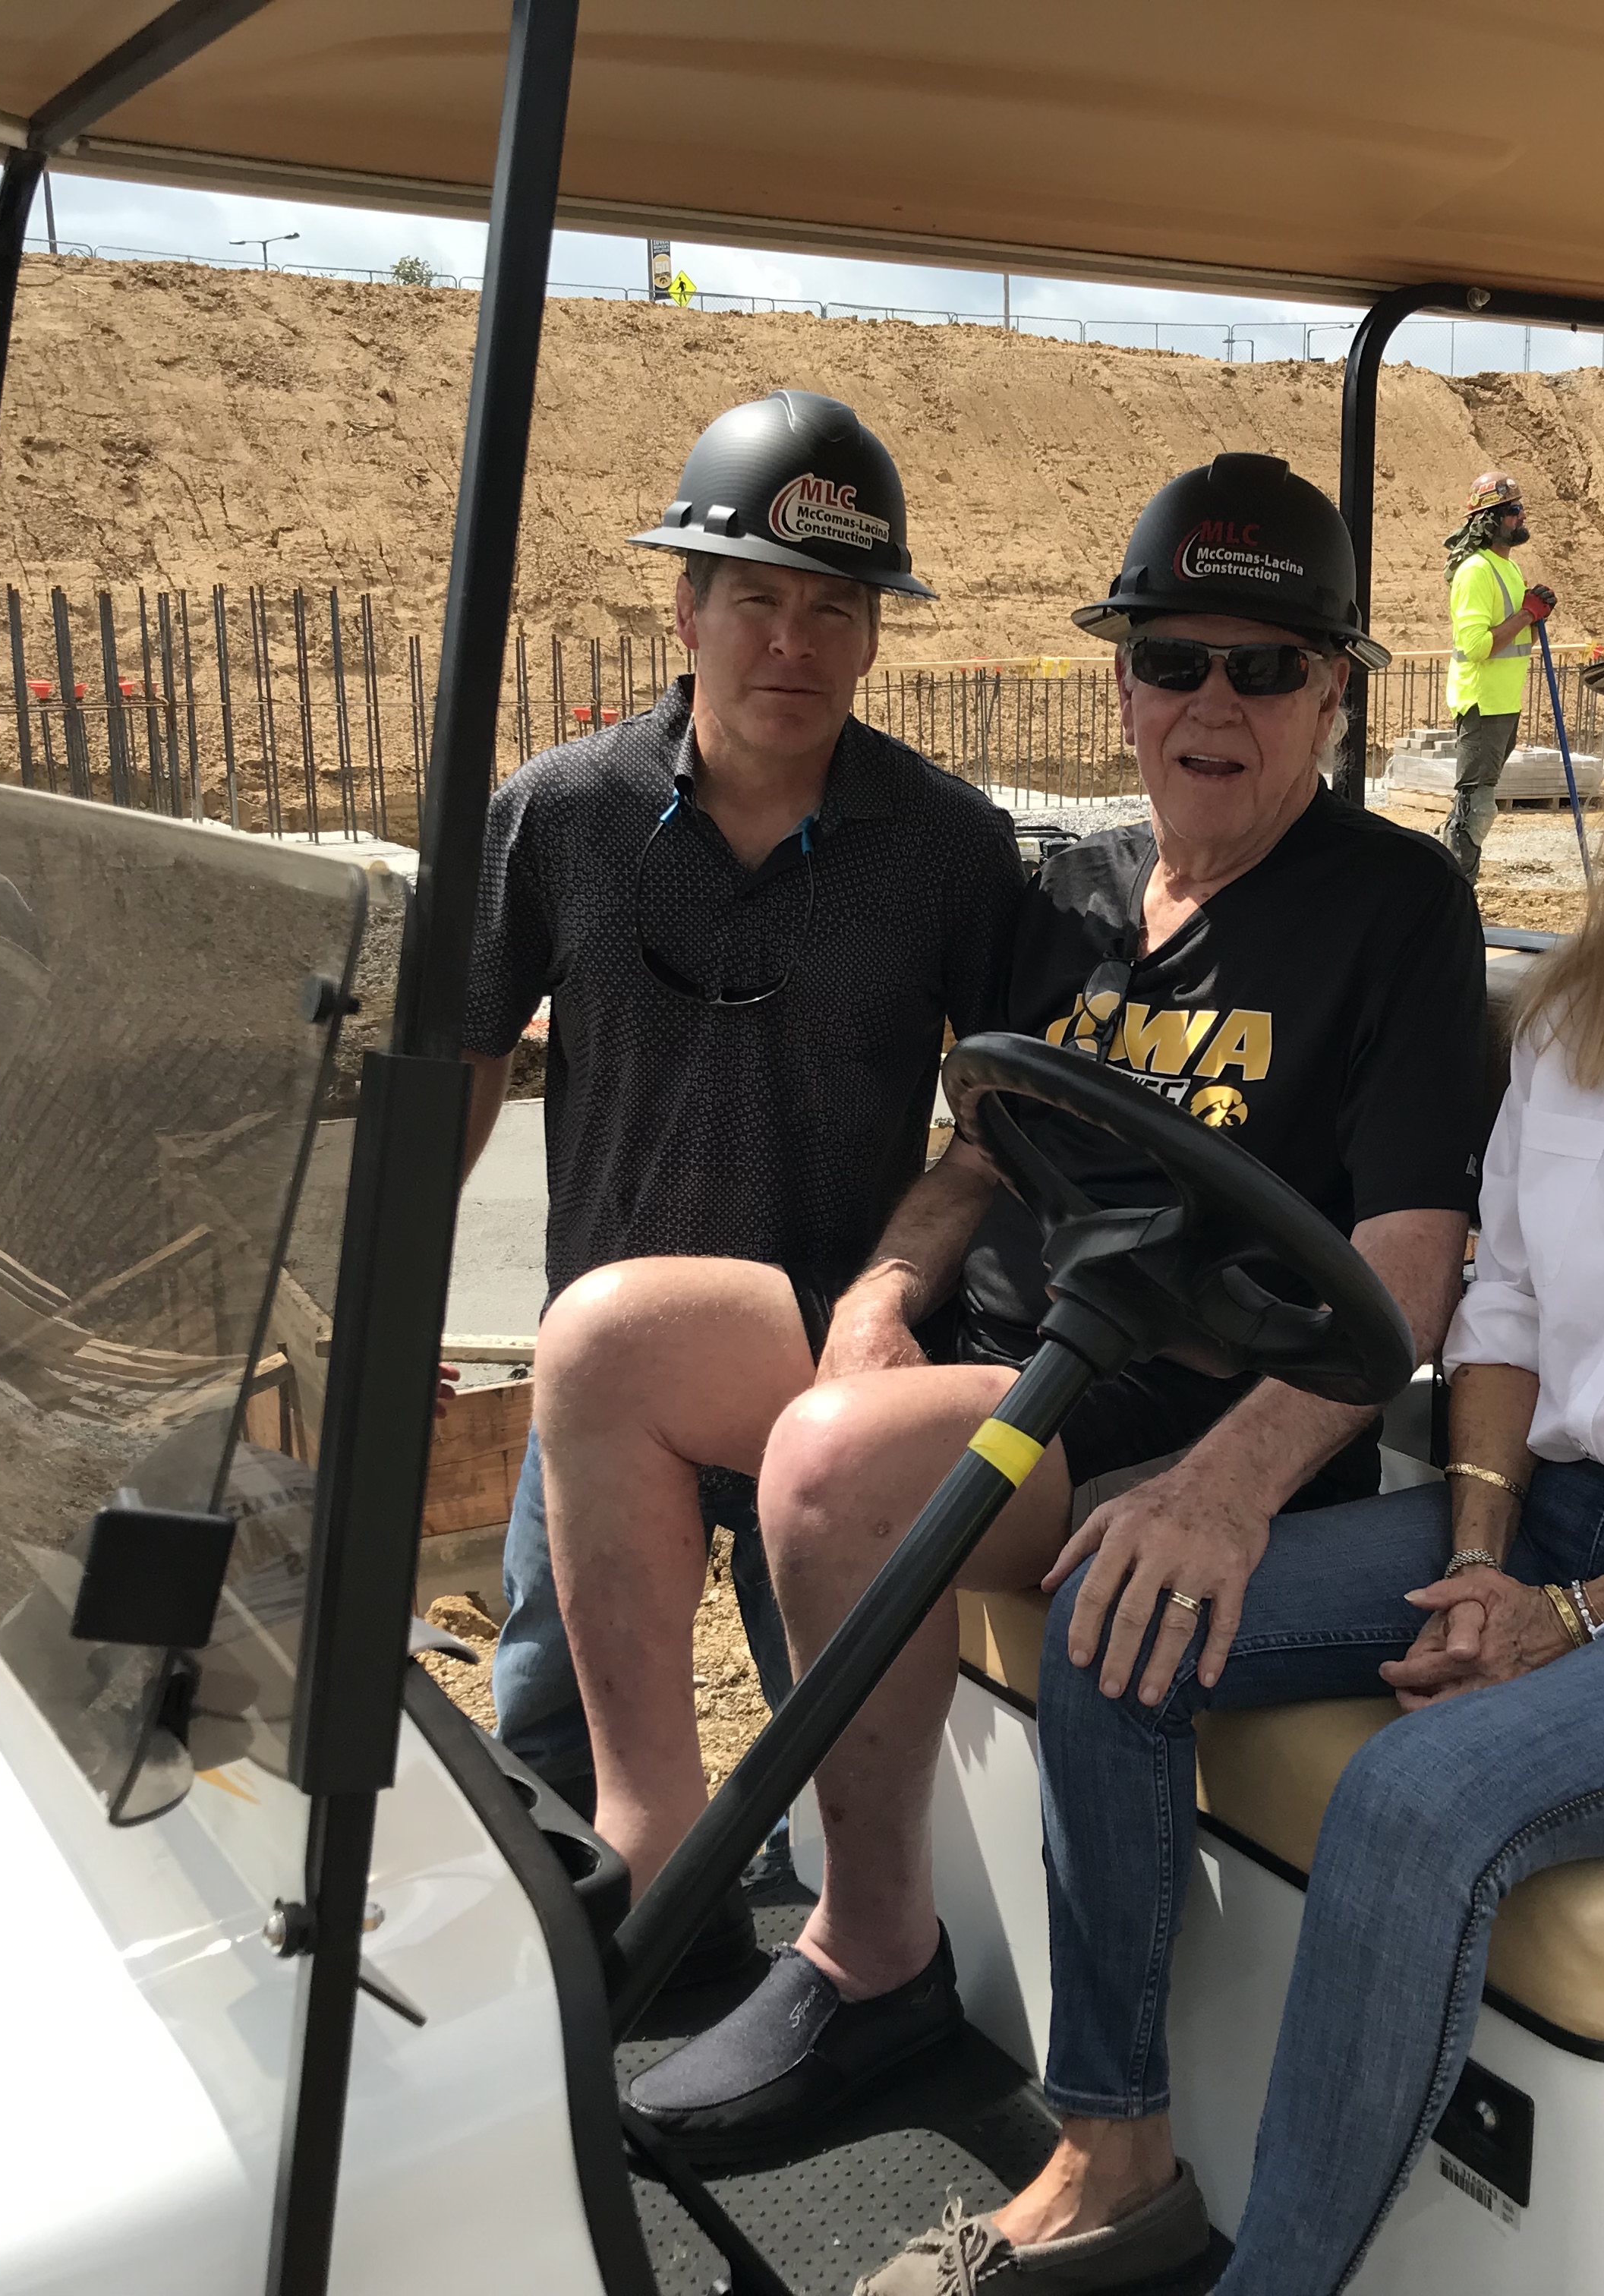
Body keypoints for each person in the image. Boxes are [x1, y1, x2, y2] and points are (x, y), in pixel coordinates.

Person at [859, 458, 1604, 2295]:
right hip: (1557, 1526)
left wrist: (1567, 1622)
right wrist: (1495, 1547)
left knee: (1416, 1803)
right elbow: (1490, 1312)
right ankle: (1119, 2148)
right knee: (1116, 1583)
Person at [626, 455, 1489, 2206]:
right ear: (1123, 683)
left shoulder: (1390, 909)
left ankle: (877, 1965)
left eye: (1266, 669)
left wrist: (1227, 1490)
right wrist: (880, 1290)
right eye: (1176, 662)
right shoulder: (1072, 898)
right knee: (614, 1337)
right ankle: (655, 1863)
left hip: (1176, 1419)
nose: (1214, 705)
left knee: (833, 1466)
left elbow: (1411, 1265)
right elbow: (981, 1151)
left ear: (1335, 688)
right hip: (1014, 1373)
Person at [460, 390, 1022, 1985]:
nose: (792, 641)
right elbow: (469, 1051)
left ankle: (833, 1993)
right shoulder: (560, 817)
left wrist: (886, 1308)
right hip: (601, 1386)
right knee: (551, 1722)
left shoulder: (949, 848)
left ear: (872, 636)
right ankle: (586, 2004)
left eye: (832, 609)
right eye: (758, 599)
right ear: (686, 606)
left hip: (814, 1395)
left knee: (847, 1752)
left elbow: (992, 1130)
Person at [1438, 471, 1556, 885]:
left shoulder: (1508, 570)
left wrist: (1534, 614)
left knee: (1473, 806)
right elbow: (1475, 646)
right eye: (1512, 511)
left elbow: (1516, 639)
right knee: (1478, 807)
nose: (1521, 517)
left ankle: (1442, 878)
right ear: (1489, 519)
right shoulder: (1475, 571)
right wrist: (1527, 613)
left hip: (1505, 703)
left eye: (1520, 509)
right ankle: (1455, 894)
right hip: (1482, 703)